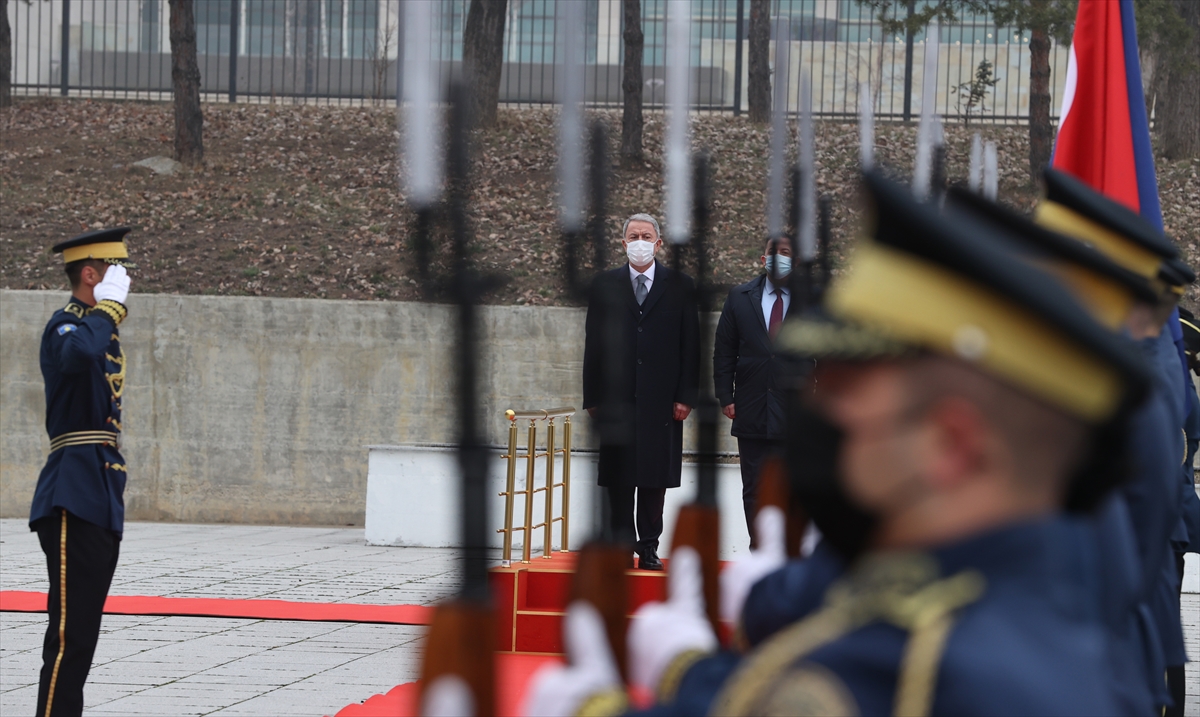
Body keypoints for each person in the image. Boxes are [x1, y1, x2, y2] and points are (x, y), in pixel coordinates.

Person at [527, 172, 1150, 716]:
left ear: (950, 443)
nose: (824, 424)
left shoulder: (931, 659)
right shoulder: (1010, 587)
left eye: (852, 405)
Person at [29, 228, 134, 717]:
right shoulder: (66, 326)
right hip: (73, 490)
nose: (124, 282)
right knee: (70, 636)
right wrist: (106, 310)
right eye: (115, 271)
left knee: (84, 633)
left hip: (100, 487)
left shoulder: (95, 330)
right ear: (90, 274)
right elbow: (78, 357)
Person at [582, 214, 699, 571]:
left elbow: (690, 344)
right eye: (633, 236)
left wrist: (685, 395)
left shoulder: (680, 285)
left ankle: (648, 546)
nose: (640, 242)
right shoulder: (605, 285)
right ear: (623, 243)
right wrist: (593, 397)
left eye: (646, 236)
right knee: (618, 477)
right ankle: (620, 545)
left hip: (661, 401)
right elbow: (593, 344)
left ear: (659, 243)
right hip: (616, 399)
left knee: (653, 479)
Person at [713, 237, 793, 543]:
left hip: (794, 409)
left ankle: (787, 550)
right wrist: (726, 395)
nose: (778, 258)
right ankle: (758, 549)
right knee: (755, 487)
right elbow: (724, 350)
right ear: (763, 259)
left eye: (785, 253)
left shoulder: (809, 299)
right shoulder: (740, 297)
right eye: (773, 252)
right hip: (751, 405)